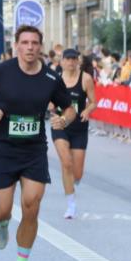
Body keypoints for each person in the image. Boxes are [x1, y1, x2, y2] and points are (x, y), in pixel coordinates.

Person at [0, 25, 76, 261]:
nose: (30, 47)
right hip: (3, 149)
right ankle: (1, 223)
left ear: (40, 46)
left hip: (34, 151)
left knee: (31, 206)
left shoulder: (51, 78)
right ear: (16, 45)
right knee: (0, 210)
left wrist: (64, 120)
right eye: (25, 42)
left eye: (34, 43)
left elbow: (69, 108)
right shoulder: (2, 72)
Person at [51, 48, 96, 219]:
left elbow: (93, 102)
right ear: (61, 61)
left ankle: (73, 181)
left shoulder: (85, 78)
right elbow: (47, 100)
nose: (70, 62)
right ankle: (71, 205)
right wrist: (50, 106)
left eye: (73, 59)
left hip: (79, 128)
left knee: (77, 173)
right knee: (66, 163)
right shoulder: (55, 79)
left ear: (78, 61)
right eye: (67, 59)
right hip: (60, 126)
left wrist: (87, 110)